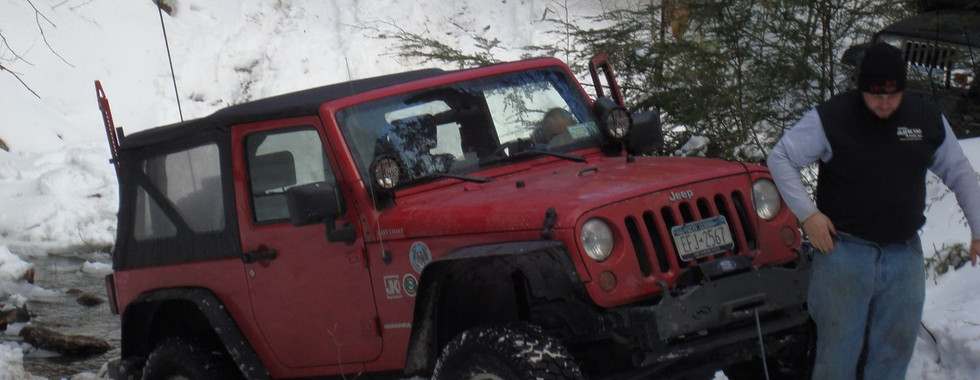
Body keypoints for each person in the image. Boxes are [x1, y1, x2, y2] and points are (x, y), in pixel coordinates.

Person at [767, 42, 980, 379]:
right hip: (844, 255)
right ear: (861, 88)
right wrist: (808, 215)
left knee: (894, 353)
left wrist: (978, 228)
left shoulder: (925, 118)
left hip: (903, 254)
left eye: (893, 94)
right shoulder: (832, 118)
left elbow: (961, 174)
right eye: (875, 94)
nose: (884, 102)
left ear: (903, 88)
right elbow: (780, 158)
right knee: (837, 357)